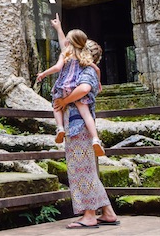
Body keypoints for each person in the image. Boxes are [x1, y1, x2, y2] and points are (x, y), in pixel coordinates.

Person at [54, 68, 120, 228]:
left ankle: (90, 216)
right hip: (76, 126)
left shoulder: (84, 70)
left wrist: (64, 100)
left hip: (79, 128)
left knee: (82, 170)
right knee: (86, 170)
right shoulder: (84, 70)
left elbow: (84, 89)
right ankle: (108, 212)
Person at [36, 17, 105, 156]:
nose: (65, 40)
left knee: (56, 105)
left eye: (67, 38)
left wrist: (43, 73)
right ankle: (96, 139)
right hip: (76, 88)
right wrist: (98, 83)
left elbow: (57, 67)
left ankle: (59, 127)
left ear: (70, 42)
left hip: (63, 87)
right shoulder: (84, 56)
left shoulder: (66, 53)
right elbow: (97, 70)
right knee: (86, 114)